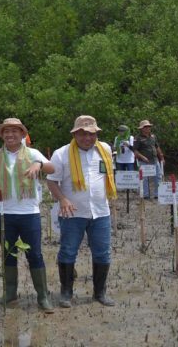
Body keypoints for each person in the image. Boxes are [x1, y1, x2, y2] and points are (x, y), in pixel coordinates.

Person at [0, 118, 54, 312]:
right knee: (8, 255)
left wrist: (39, 165)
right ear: (2, 135)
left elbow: (53, 168)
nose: (10, 135)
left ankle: (42, 296)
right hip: (4, 213)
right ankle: (10, 292)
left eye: (15, 131)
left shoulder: (33, 153)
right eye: (6, 132)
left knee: (34, 254)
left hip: (29, 213)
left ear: (22, 134)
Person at [47, 115, 117, 308]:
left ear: (97, 134)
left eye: (91, 134)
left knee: (102, 253)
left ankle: (99, 293)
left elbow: (107, 176)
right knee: (68, 251)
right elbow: (51, 180)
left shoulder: (106, 150)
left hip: (101, 212)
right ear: (75, 134)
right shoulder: (61, 154)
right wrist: (62, 199)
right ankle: (66, 293)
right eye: (82, 134)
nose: (87, 138)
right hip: (72, 213)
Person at [132, 120, 164, 198]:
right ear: (141, 128)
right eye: (145, 127)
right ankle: (145, 194)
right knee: (144, 178)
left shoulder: (153, 136)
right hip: (144, 161)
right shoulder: (137, 138)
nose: (148, 128)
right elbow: (135, 150)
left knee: (158, 176)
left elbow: (157, 147)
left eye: (149, 127)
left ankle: (157, 194)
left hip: (155, 159)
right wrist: (143, 157)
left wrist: (161, 157)